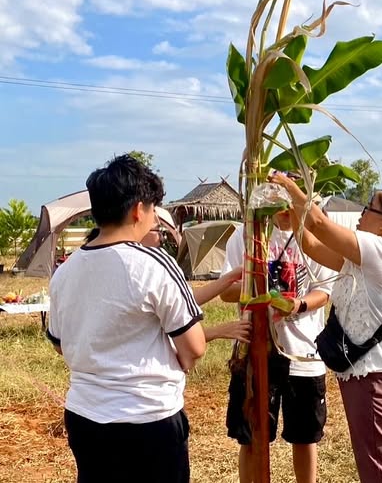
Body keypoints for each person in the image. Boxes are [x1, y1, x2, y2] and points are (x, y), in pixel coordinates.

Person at [48, 155, 206, 483]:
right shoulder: (154, 264)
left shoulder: (65, 271)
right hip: (149, 420)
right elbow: (194, 348)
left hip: (85, 416)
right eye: (152, 210)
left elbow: (61, 344)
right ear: (138, 210)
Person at [269, 172, 382, 483]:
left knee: (379, 465)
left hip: (375, 377)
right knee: (371, 461)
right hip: (364, 375)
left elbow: (320, 225)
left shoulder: (381, 250)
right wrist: (295, 206)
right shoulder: (361, 257)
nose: (361, 214)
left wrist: (292, 186)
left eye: (368, 209)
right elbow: (310, 243)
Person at [220, 209, 335, 483]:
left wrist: (299, 304)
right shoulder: (247, 233)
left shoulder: (314, 236)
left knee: (305, 437)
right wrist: (260, 291)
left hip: (303, 352)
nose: (286, 209)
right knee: (250, 437)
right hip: (255, 350)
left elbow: (325, 290)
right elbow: (226, 291)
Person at [86, 222, 250, 343]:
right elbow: (183, 342)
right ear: (134, 224)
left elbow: (182, 300)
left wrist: (230, 277)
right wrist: (218, 331)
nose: (162, 237)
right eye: (157, 230)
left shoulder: (92, 269)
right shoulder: (151, 268)